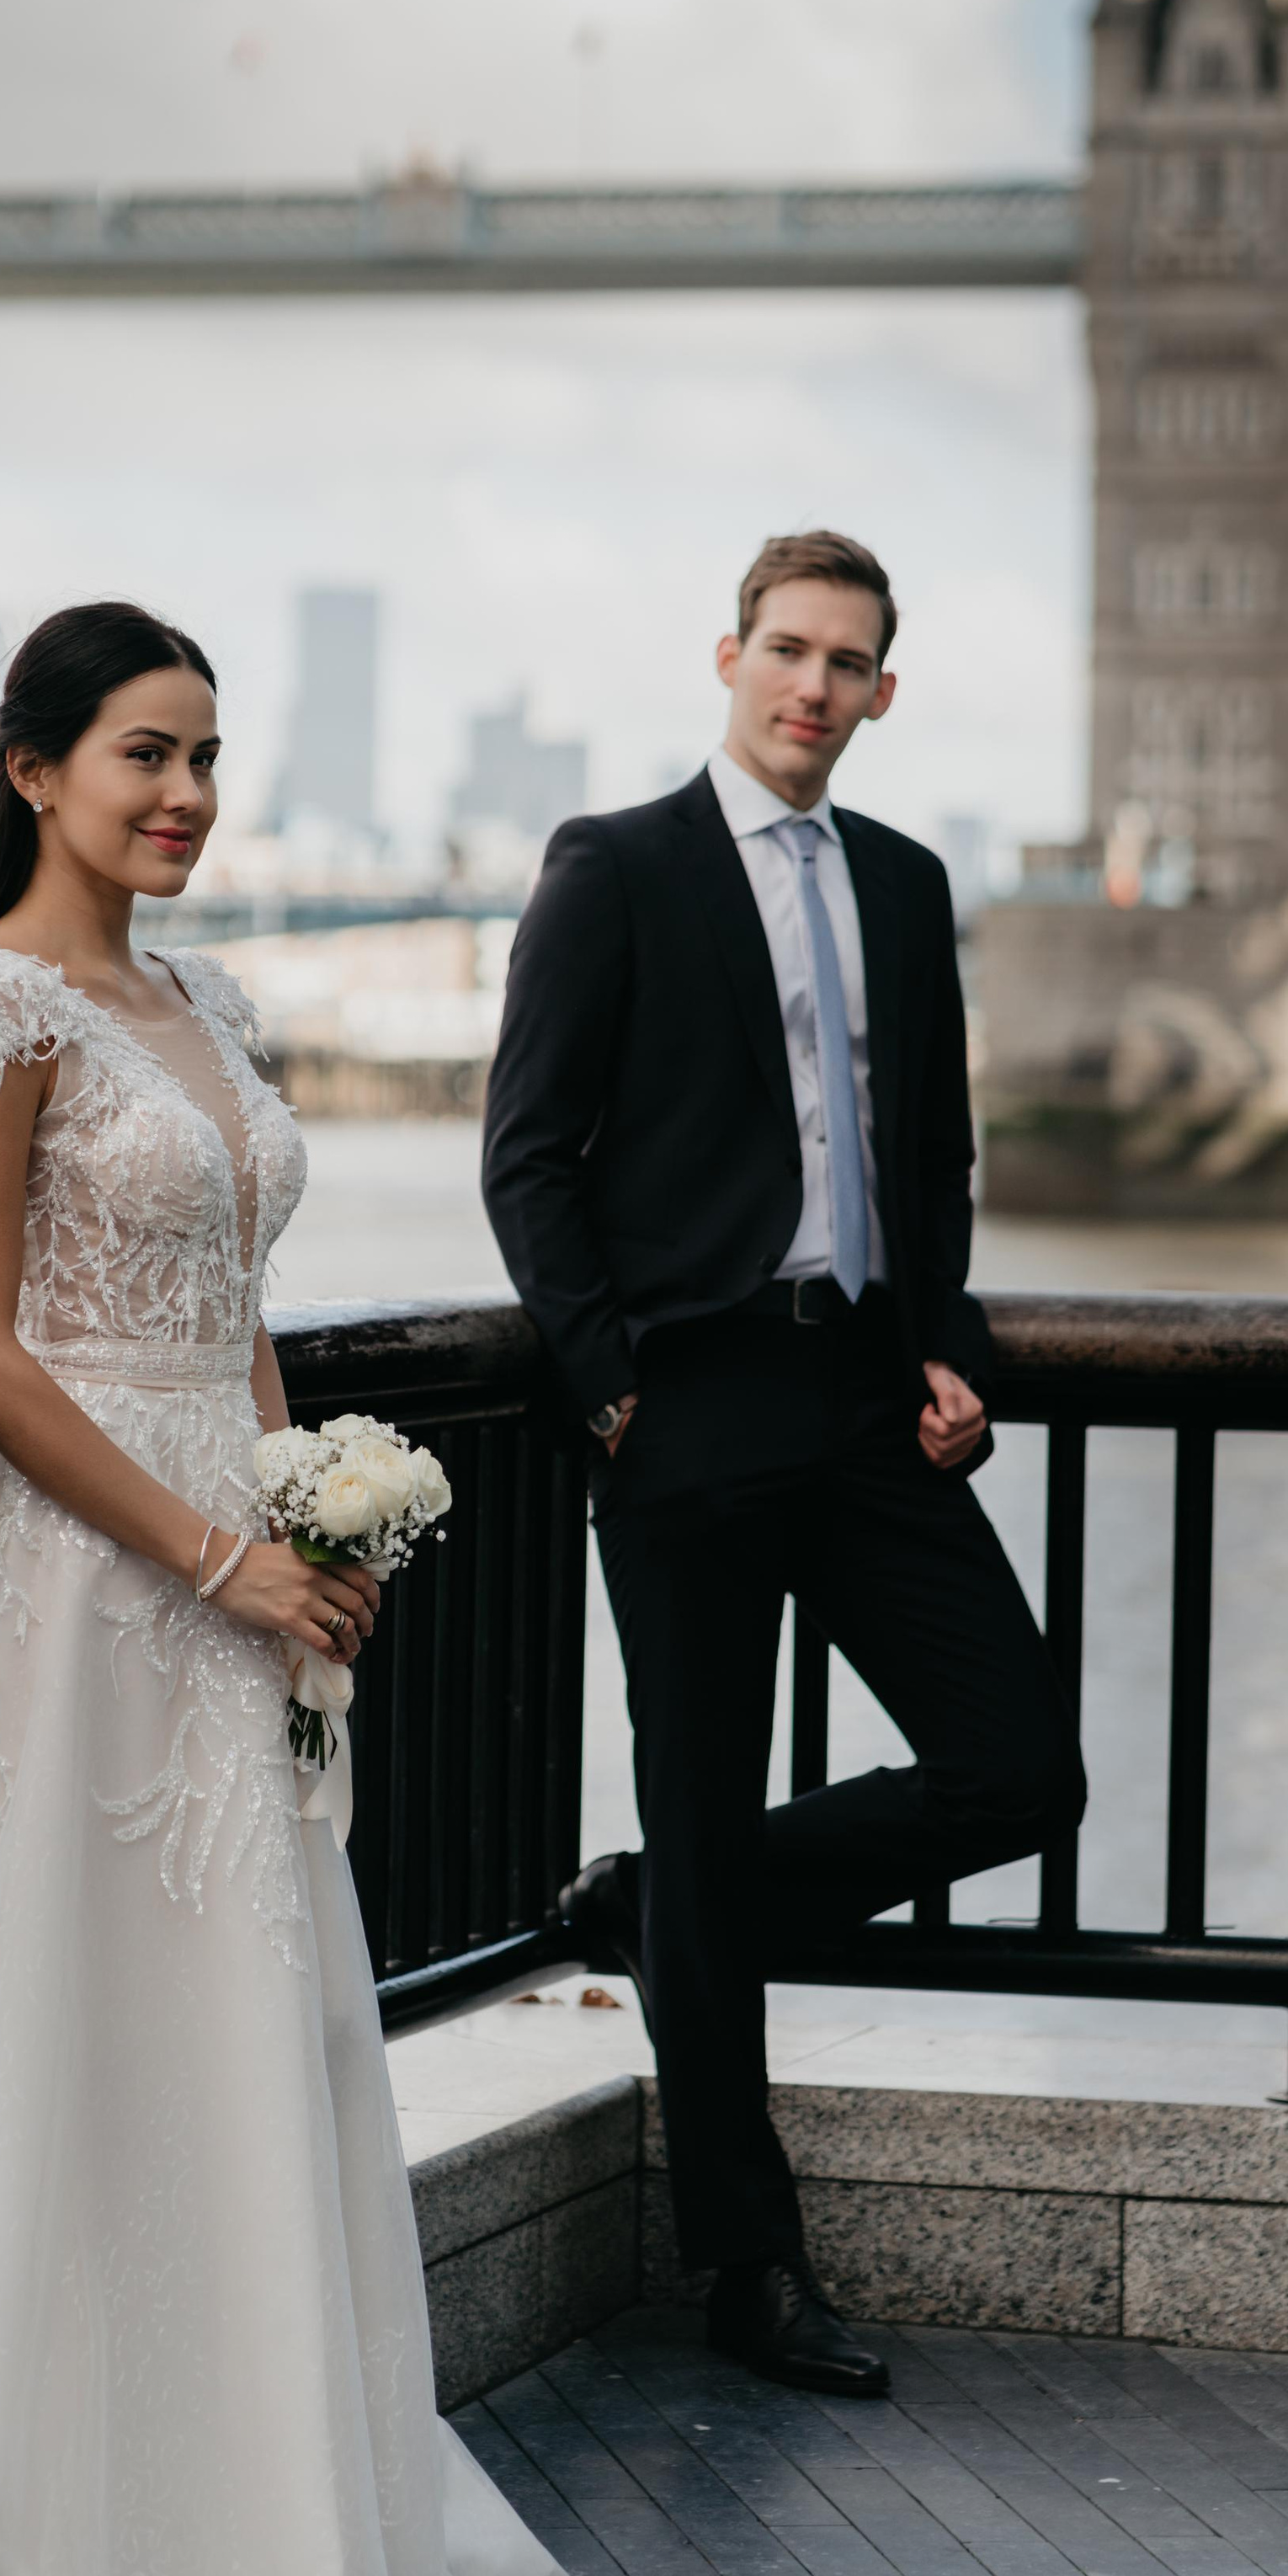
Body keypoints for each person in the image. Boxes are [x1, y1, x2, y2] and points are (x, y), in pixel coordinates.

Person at [0, 602, 577, 2576]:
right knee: (104, 2054)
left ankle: (289, 2555)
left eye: (204, 755)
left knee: (257, 2048)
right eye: (142, 753)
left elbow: (242, 1309)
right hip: (94, 1590)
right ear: (34, 767)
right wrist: (205, 1546)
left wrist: (311, 1524)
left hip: (252, 1576)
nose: (181, 792)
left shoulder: (204, 995)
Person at [481, 530, 1083, 2401]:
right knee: (712, 1768)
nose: (811, 684)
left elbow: (934, 1157)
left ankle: (663, 1895)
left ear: (882, 693)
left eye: (847, 661)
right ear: (726, 657)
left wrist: (946, 1347)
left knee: (1018, 1767)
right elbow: (529, 1152)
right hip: (685, 1411)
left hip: (859, 1403)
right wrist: (604, 1391)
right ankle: (749, 2264)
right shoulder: (617, 866)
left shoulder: (903, 886)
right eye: (786, 649)